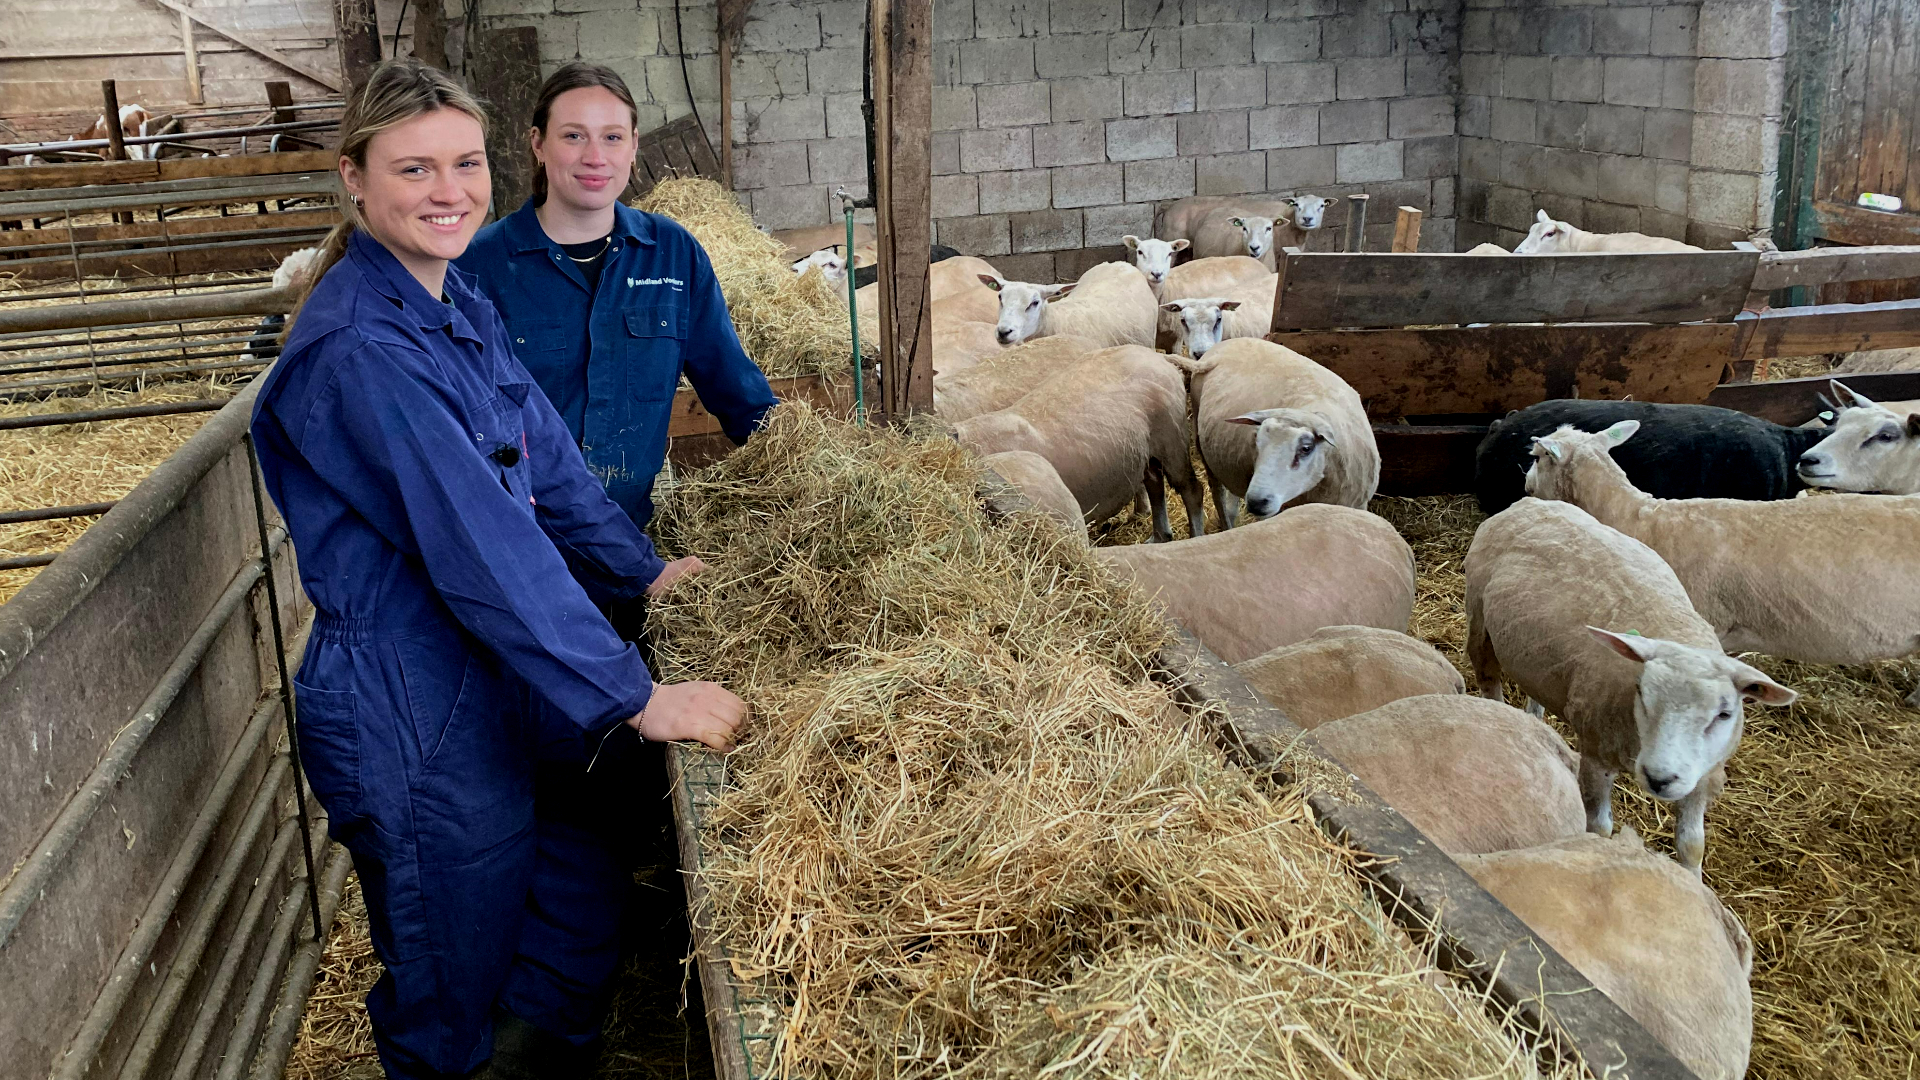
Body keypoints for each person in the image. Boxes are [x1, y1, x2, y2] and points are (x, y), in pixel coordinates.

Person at [249, 59, 745, 1080]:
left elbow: (544, 460)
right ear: (354, 178)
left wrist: (642, 571)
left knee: (578, 880)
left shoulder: (454, 300)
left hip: (496, 666)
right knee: (452, 974)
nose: (450, 191)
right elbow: (481, 541)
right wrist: (634, 695)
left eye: (464, 164)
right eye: (415, 169)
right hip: (412, 697)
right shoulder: (361, 349)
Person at [456, 62, 776, 529]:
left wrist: (805, 462)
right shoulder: (475, 267)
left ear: (633, 146)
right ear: (538, 144)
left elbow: (736, 390)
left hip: (630, 538)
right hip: (520, 542)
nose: (595, 157)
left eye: (612, 137)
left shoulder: (671, 254)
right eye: (573, 136)